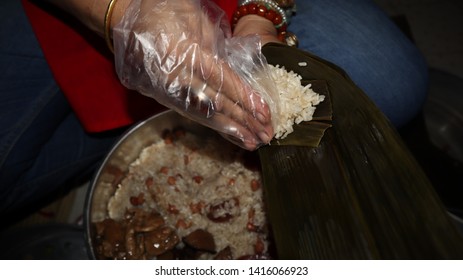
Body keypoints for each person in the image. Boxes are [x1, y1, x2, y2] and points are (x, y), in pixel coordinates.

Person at [0, 0, 428, 223]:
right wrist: (121, 11)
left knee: (391, 80)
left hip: (225, 5)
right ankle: (138, 121)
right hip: (67, 15)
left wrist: (260, 18)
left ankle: (168, 111)